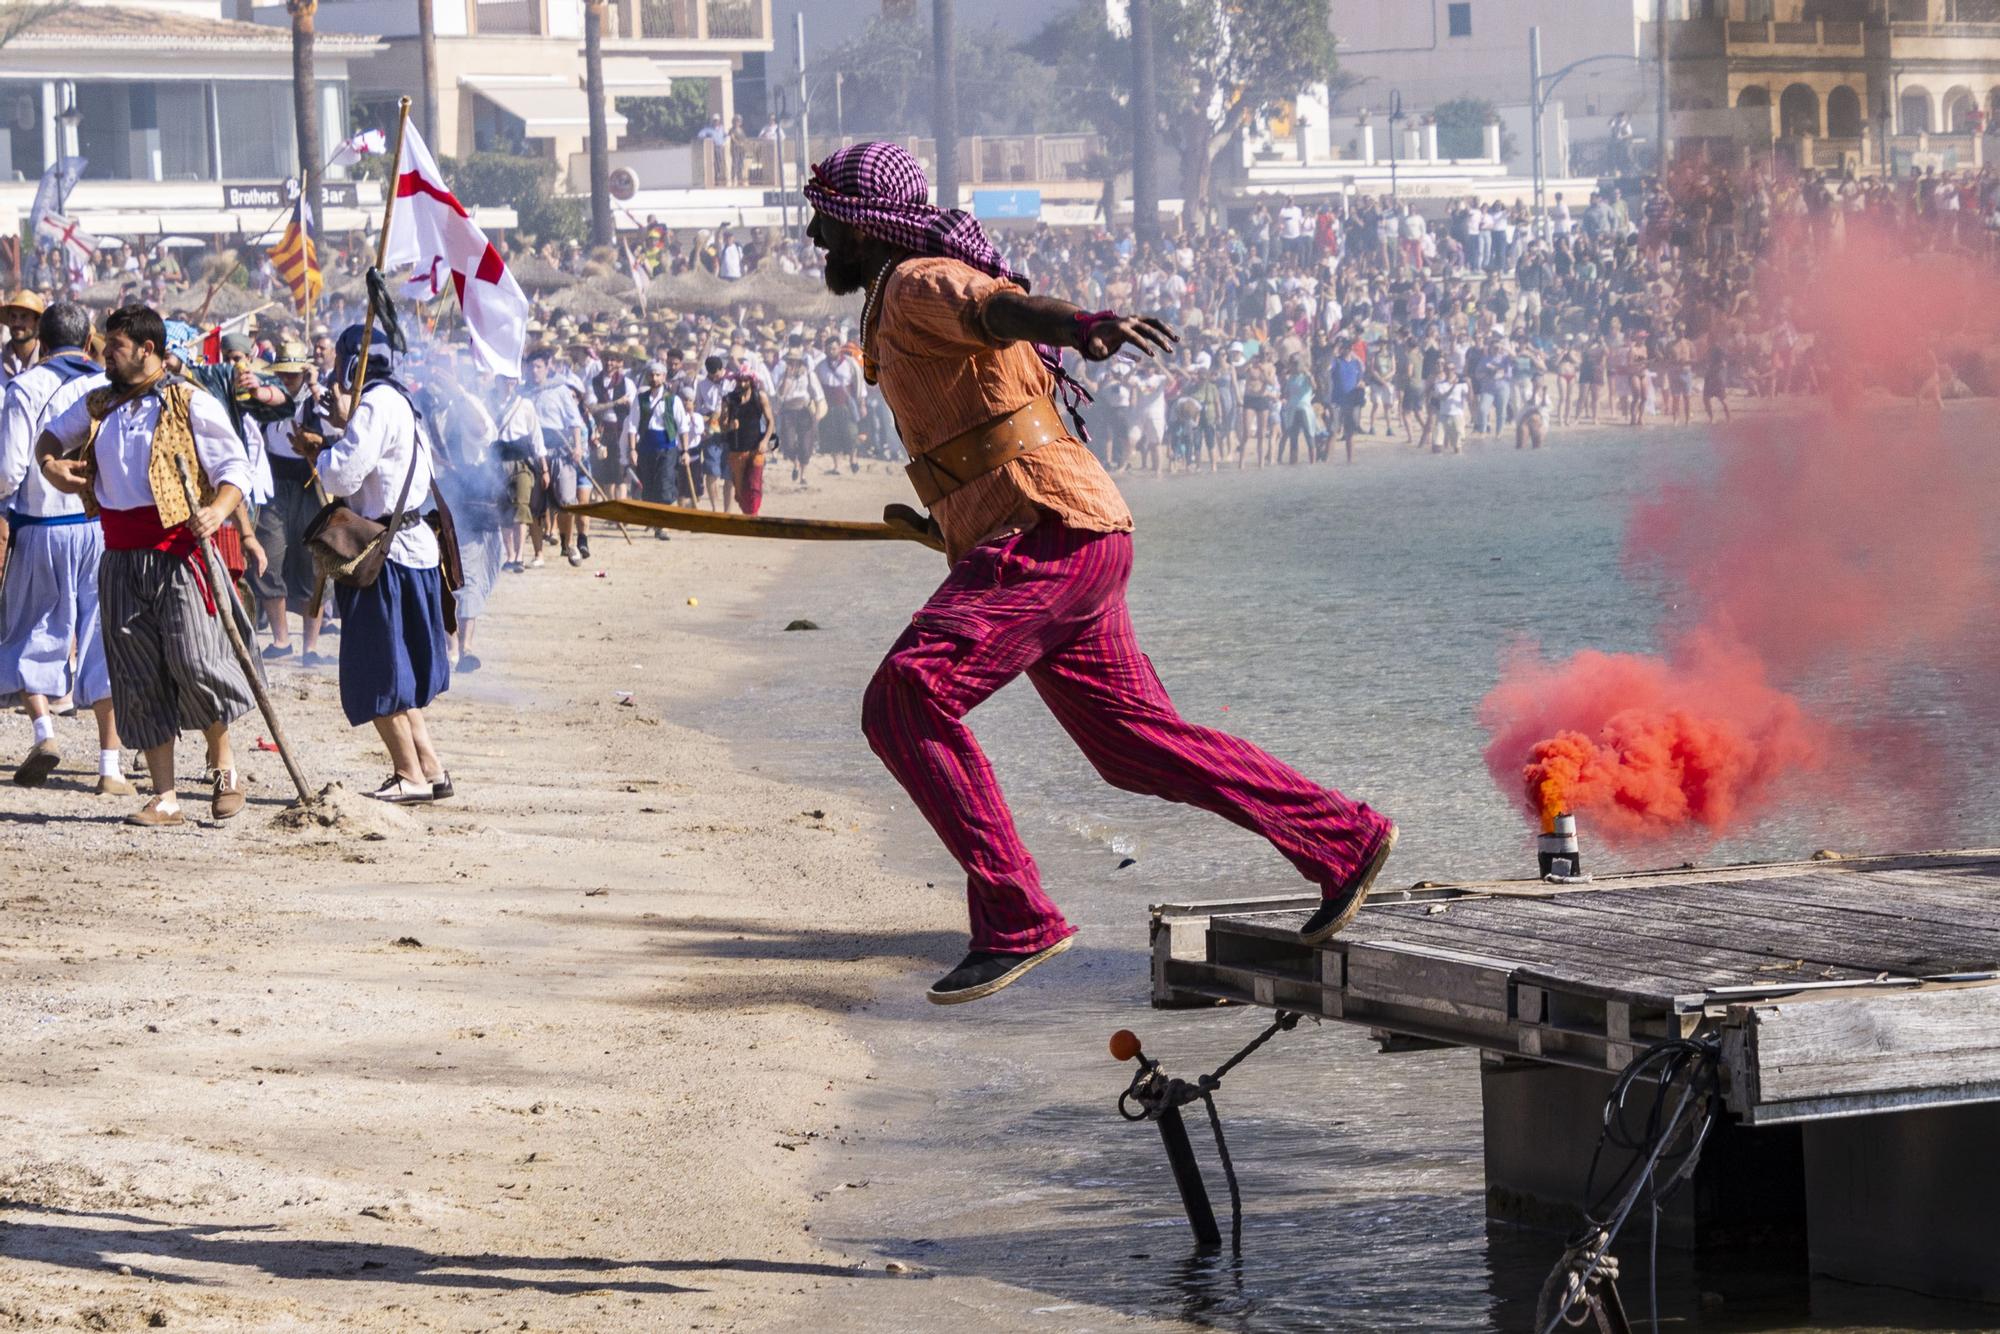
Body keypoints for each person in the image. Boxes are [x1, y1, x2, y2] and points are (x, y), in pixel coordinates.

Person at [804, 141, 1396, 1004]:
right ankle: (1340, 839)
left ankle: (1016, 918)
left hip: (1046, 532)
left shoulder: (916, 281)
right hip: (1065, 533)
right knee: (1131, 745)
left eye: (828, 220)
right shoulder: (895, 297)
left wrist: (1080, 327)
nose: (818, 236)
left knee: (905, 696)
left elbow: (1001, 311)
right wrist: (943, 523)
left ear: (866, 227)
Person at [35, 303, 255, 826]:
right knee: (137, 674)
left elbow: (235, 466)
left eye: (114, 347)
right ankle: (165, 796)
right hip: (119, 558)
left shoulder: (189, 402)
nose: (103, 354)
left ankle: (224, 767)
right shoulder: (99, 403)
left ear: (146, 350)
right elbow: (48, 440)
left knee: (196, 662)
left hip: (179, 553)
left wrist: (217, 511)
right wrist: (54, 469)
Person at [303, 325, 454, 802]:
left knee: (379, 672)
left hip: (385, 558)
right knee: (399, 673)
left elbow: (342, 472)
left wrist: (323, 451)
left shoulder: (376, 405)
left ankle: (408, 774)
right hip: (412, 552)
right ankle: (431, 768)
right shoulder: (402, 403)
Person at [0, 300, 133, 794]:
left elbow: (10, 469)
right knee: (103, 635)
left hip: (39, 525)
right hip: (100, 527)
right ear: (87, 338)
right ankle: (109, 767)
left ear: (42, 336)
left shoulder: (24, 387)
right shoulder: (108, 387)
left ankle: (44, 732)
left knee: (30, 628)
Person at [247, 341, 330, 665]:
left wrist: (312, 385)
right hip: (274, 485)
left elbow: (335, 425)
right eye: (283, 373)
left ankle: (310, 647)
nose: (287, 379)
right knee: (270, 557)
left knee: (316, 564)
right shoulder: (268, 399)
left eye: (293, 374)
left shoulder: (318, 397)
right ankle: (281, 640)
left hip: (312, 485)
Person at [526, 345, 589, 566]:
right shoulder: (524, 393)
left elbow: (575, 422)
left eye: (538, 366)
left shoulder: (560, 390)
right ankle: (538, 554)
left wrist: (578, 447)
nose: (534, 371)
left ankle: (568, 544)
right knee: (533, 505)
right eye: (531, 366)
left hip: (560, 452)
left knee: (566, 501)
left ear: (547, 367)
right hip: (533, 453)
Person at [773, 346, 824, 484]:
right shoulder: (784, 375)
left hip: (804, 410)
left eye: (795, 361)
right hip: (789, 410)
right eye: (790, 361)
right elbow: (780, 395)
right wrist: (786, 378)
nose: (792, 363)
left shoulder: (808, 374)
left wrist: (818, 411)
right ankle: (795, 463)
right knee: (788, 443)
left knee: (806, 444)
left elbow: (817, 393)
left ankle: (803, 475)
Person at [722, 371, 771, 515]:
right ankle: (748, 513)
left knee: (754, 484)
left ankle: (753, 515)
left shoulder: (759, 397)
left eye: (745, 381)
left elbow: (770, 421)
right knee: (740, 490)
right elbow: (722, 425)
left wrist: (765, 440)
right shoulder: (729, 399)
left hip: (756, 448)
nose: (742, 384)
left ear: (751, 381)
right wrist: (729, 424)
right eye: (739, 381)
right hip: (737, 449)